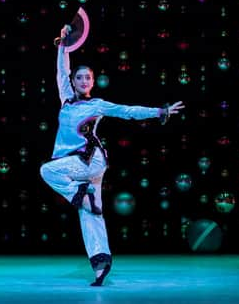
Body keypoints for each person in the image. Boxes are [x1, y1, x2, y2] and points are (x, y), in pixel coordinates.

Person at [40, 24, 184, 287]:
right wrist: (63, 44)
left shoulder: (98, 104)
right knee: (92, 214)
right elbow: (61, 69)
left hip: (88, 160)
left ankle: (78, 196)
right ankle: (100, 264)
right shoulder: (66, 100)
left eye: (88, 78)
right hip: (82, 166)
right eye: (80, 77)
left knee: (47, 171)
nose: (83, 81)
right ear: (73, 81)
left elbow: (128, 111)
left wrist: (159, 112)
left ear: (93, 82)